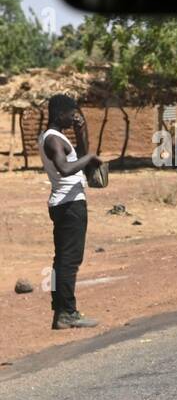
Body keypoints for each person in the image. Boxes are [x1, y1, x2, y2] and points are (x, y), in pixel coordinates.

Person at [41, 94, 102, 329]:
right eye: (71, 114)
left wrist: (80, 132)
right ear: (59, 114)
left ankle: (61, 311)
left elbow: (77, 155)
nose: (74, 117)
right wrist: (89, 158)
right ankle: (67, 312)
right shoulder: (53, 140)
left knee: (63, 260)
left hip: (65, 204)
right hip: (69, 206)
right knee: (69, 261)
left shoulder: (56, 137)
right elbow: (65, 168)